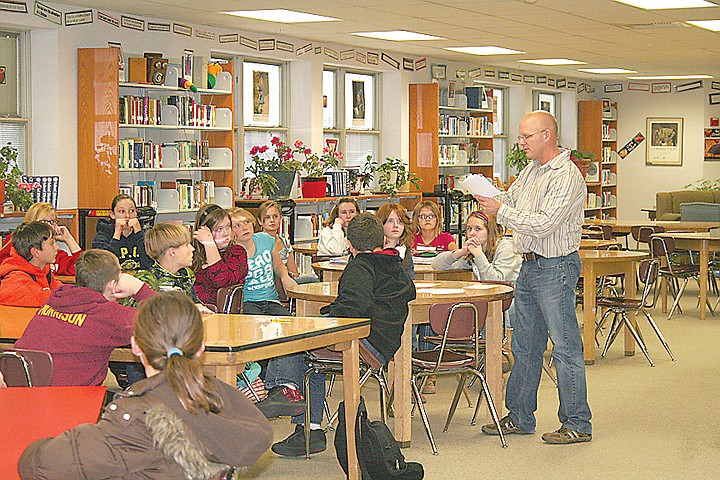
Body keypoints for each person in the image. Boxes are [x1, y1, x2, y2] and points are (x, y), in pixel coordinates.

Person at [18, 291, 274, 479]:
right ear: (201, 349)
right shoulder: (223, 397)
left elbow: (38, 465)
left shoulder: (136, 419)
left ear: (135, 346)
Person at [474, 110, 592, 444]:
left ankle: (578, 423)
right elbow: (511, 199)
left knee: (564, 347)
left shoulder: (566, 175)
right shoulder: (531, 170)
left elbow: (543, 223)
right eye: (521, 136)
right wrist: (491, 198)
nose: (521, 142)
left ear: (546, 136)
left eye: (526, 136)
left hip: (556, 267)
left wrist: (503, 212)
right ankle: (521, 416)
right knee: (525, 345)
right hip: (528, 266)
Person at [268, 213, 416, 457]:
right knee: (311, 356)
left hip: (362, 341)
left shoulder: (360, 266)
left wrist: (330, 313)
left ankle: (284, 389)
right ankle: (310, 429)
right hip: (384, 344)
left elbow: (351, 310)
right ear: (382, 240)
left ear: (350, 245)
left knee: (295, 333)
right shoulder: (395, 266)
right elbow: (405, 294)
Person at [14, 249, 156, 386]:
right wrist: (139, 289)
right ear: (113, 285)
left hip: (25, 393)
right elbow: (169, 319)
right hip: (70, 401)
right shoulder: (111, 316)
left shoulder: (56, 298)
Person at [129, 222, 211, 313]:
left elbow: (194, 302)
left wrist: (198, 306)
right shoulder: (147, 279)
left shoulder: (185, 276)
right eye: (187, 245)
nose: (192, 249)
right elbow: (138, 315)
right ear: (172, 252)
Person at [229, 207, 297, 316]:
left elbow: (278, 265)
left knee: (288, 321)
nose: (245, 228)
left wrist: (285, 277)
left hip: (271, 300)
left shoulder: (265, 239)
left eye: (247, 222)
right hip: (247, 302)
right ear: (230, 231)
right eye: (237, 225)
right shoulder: (231, 253)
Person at [431, 211, 521, 284]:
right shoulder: (473, 250)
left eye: (478, 229)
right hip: (490, 297)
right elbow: (437, 265)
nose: (472, 233)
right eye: (469, 228)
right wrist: (461, 252)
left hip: (511, 299)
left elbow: (495, 281)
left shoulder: (506, 247)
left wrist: (479, 255)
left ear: (490, 231)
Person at [0, 202, 82, 275]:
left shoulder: (52, 252)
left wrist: (68, 239)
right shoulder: (15, 243)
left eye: (53, 221)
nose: (50, 226)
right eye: (44, 222)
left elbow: (80, 269)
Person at [191, 204, 248, 308]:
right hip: (192, 310)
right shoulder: (192, 252)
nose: (226, 233)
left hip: (220, 314)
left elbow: (223, 281)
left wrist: (209, 245)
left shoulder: (237, 252)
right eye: (219, 229)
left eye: (228, 227)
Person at [0, 222, 63, 307]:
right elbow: (51, 300)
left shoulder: (42, 270)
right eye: (52, 243)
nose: (57, 247)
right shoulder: (16, 281)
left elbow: (61, 290)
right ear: (35, 252)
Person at [258, 200, 317, 284]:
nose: (272, 220)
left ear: (281, 218)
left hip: (286, 281)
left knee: (313, 280)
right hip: (268, 283)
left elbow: (294, 272)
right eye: (267, 217)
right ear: (260, 221)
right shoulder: (257, 242)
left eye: (275, 216)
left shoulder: (284, 241)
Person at [91, 194, 152, 271]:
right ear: (112, 215)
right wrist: (117, 234)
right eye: (122, 211)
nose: (127, 216)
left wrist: (139, 233)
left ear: (136, 213)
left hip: (139, 279)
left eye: (131, 211)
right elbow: (103, 266)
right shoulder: (103, 235)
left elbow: (149, 264)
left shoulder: (144, 235)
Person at [376, 202, 415, 279]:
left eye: (400, 221)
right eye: (390, 221)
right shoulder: (373, 251)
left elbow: (410, 279)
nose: (396, 225)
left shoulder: (404, 251)